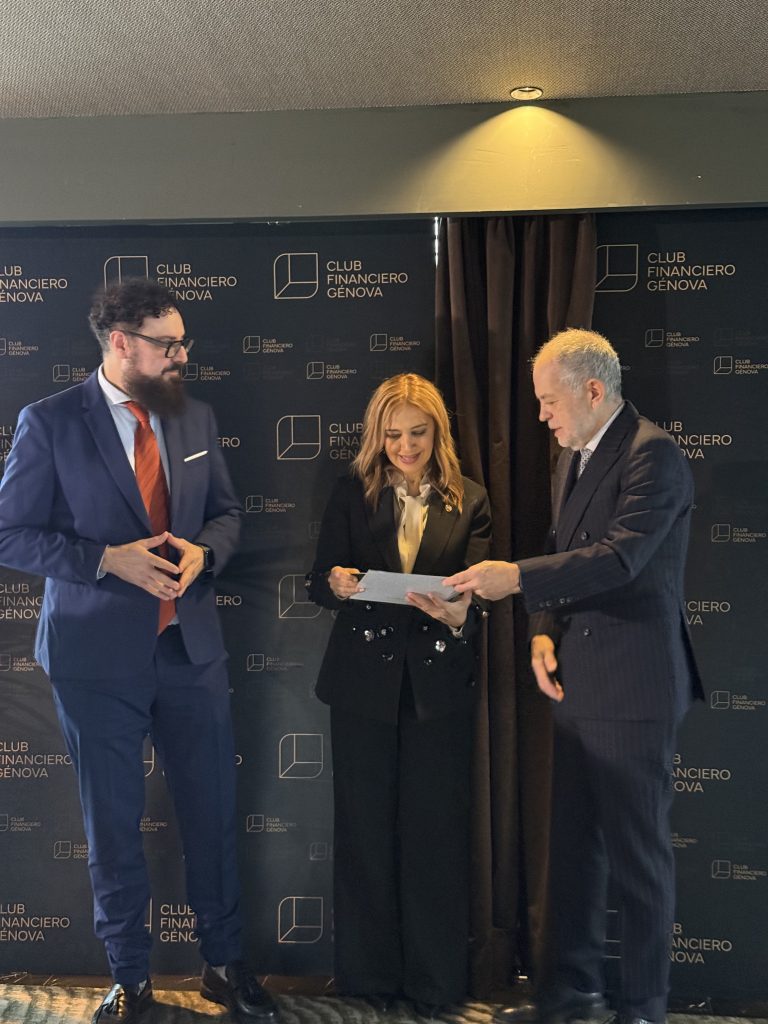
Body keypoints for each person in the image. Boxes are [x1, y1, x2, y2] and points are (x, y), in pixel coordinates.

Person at [0, 279, 277, 1024]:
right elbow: (10, 533)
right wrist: (104, 560)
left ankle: (224, 965)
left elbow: (228, 515)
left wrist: (204, 552)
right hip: (94, 660)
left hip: (190, 649)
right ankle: (130, 980)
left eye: (183, 343)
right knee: (113, 828)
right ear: (120, 343)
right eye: (167, 344)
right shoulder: (50, 422)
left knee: (213, 814)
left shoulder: (195, 416)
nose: (181, 356)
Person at [446, 329, 704, 1024]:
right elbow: (566, 551)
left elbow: (619, 559)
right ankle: (572, 996)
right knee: (574, 855)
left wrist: (515, 580)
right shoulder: (575, 456)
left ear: (593, 390)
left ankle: (643, 1009)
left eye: (549, 401)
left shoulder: (653, 454)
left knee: (638, 862)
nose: (541, 416)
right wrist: (541, 631)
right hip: (579, 684)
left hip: (634, 687)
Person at [306, 373, 491, 1015]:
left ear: (437, 431)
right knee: (363, 832)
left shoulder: (471, 499)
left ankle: (436, 984)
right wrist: (335, 581)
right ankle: (367, 980)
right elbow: (318, 580)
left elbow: (480, 600)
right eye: (393, 435)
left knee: (435, 834)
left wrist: (460, 614)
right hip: (363, 686)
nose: (405, 447)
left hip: (437, 689)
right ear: (376, 435)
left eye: (417, 433)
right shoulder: (352, 492)